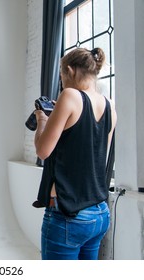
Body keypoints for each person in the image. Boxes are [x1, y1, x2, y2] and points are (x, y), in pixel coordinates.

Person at [32, 47, 117, 260]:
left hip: (69, 215)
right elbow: (92, 155)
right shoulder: (110, 106)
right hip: (99, 214)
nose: (61, 82)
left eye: (61, 75)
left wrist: (43, 120)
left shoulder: (69, 95)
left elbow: (43, 151)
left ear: (69, 70)